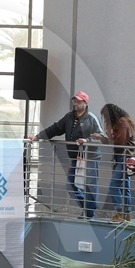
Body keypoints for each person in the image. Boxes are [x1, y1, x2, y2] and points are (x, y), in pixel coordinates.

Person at [30, 91, 103, 219]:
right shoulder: (69, 117)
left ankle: (89, 213)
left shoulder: (92, 118)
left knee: (90, 186)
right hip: (77, 157)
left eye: (78, 101)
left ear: (85, 103)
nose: (75, 103)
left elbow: (102, 138)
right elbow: (55, 128)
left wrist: (87, 141)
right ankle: (88, 208)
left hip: (91, 157)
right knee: (71, 185)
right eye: (74, 101)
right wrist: (38, 136)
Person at [94, 103, 135, 223]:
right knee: (125, 187)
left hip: (125, 156)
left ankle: (120, 212)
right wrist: (102, 138)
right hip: (123, 157)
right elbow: (115, 141)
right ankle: (126, 214)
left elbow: (120, 141)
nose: (105, 118)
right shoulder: (121, 122)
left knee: (113, 185)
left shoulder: (122, 122)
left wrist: (106, 139)